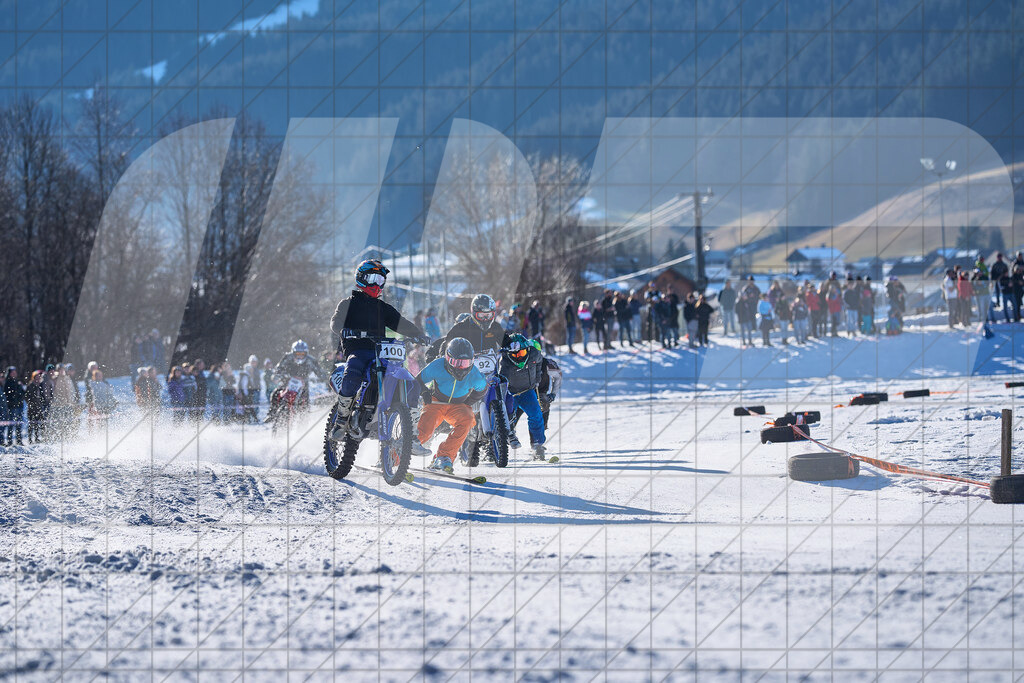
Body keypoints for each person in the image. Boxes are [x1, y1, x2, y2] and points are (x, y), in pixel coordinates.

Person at [328, 259, 426, 438]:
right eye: (374, 278)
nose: (377, 284)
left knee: (408, 381)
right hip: (358, 350)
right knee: (354, 368)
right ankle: (341, 420)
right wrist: (342, 329)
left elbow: (401, 323)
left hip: (381, 352)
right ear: (362, 278)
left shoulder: (383, 308)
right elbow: (335, 321)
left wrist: (418, 334)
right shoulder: (348, 304)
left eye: (381, 281)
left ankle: (410, 432)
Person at [415, 337, 487, 472]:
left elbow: (482, 390)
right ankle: (394, 455)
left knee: (468, 419)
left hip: (458, 406)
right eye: (456, 362)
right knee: (425, 430)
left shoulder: (475, 374)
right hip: (436, 402)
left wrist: (468, 403)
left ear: (472, 361)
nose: (460, 367)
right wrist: (425, 392)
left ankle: (443, 457)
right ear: (447, 359)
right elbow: (418, 380)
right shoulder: (438, 365)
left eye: (465, 363)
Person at [500, 333, 548, 459]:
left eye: (520, 354)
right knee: (506, 419)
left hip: (527, 391)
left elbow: (539, 363)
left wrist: (536, 379)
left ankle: (537, 445)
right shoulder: (505, 360)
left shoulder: (534, 354)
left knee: (536, 415)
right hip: (511, 394)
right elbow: (502, 378)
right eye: (514, 354)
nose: (518, 357)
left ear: (526, 349)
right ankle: (498, 446)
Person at [266, 340, 330, 424]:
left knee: (305, 404)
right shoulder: (287, 357)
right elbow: (279, 368)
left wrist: (324, 378)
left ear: (306, 353)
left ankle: (303, 423)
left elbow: (320, 371)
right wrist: (277, 375)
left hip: (303, 384)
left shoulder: (311, 360)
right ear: (293, 352)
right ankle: (271, 413)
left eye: (302, 354)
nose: (300, 356)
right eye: (297, 354)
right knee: (275, 393)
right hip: (287, 381)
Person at [442, 294, 511, 355]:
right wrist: (444, 354)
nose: (485, 319)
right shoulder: (462, 327)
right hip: (468, 366)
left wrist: (512, 344)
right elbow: (447, 344)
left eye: (488, 315)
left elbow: (504, 340)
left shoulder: (495, 327)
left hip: (491, 366)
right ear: (474, 313)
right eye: (481, 315)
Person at [3, 367, 25, 446]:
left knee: (19, 424)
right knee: (11, 424)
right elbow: (7, 395)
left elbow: (23, 393)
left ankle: (19, 440)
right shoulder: (8, 382)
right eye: (12, 372)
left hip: (19, 406)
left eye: (15, 372)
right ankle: (10, 441)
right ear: (9, 373)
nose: (14, 373)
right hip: (11, 407)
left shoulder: (18, 382)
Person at [991, 253, 1010, 318]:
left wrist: (1002, 276)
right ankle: (998, 302)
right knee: (997, 292)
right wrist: (994, 280)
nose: (999, 258)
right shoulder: (995, 265)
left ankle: (1006, 303)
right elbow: (992, 273)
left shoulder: (1004, 265)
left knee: (1004, 291)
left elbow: (1006, 272)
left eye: (1000, 257)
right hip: (996, 280)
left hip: (1003, 281)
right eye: (998, 257)